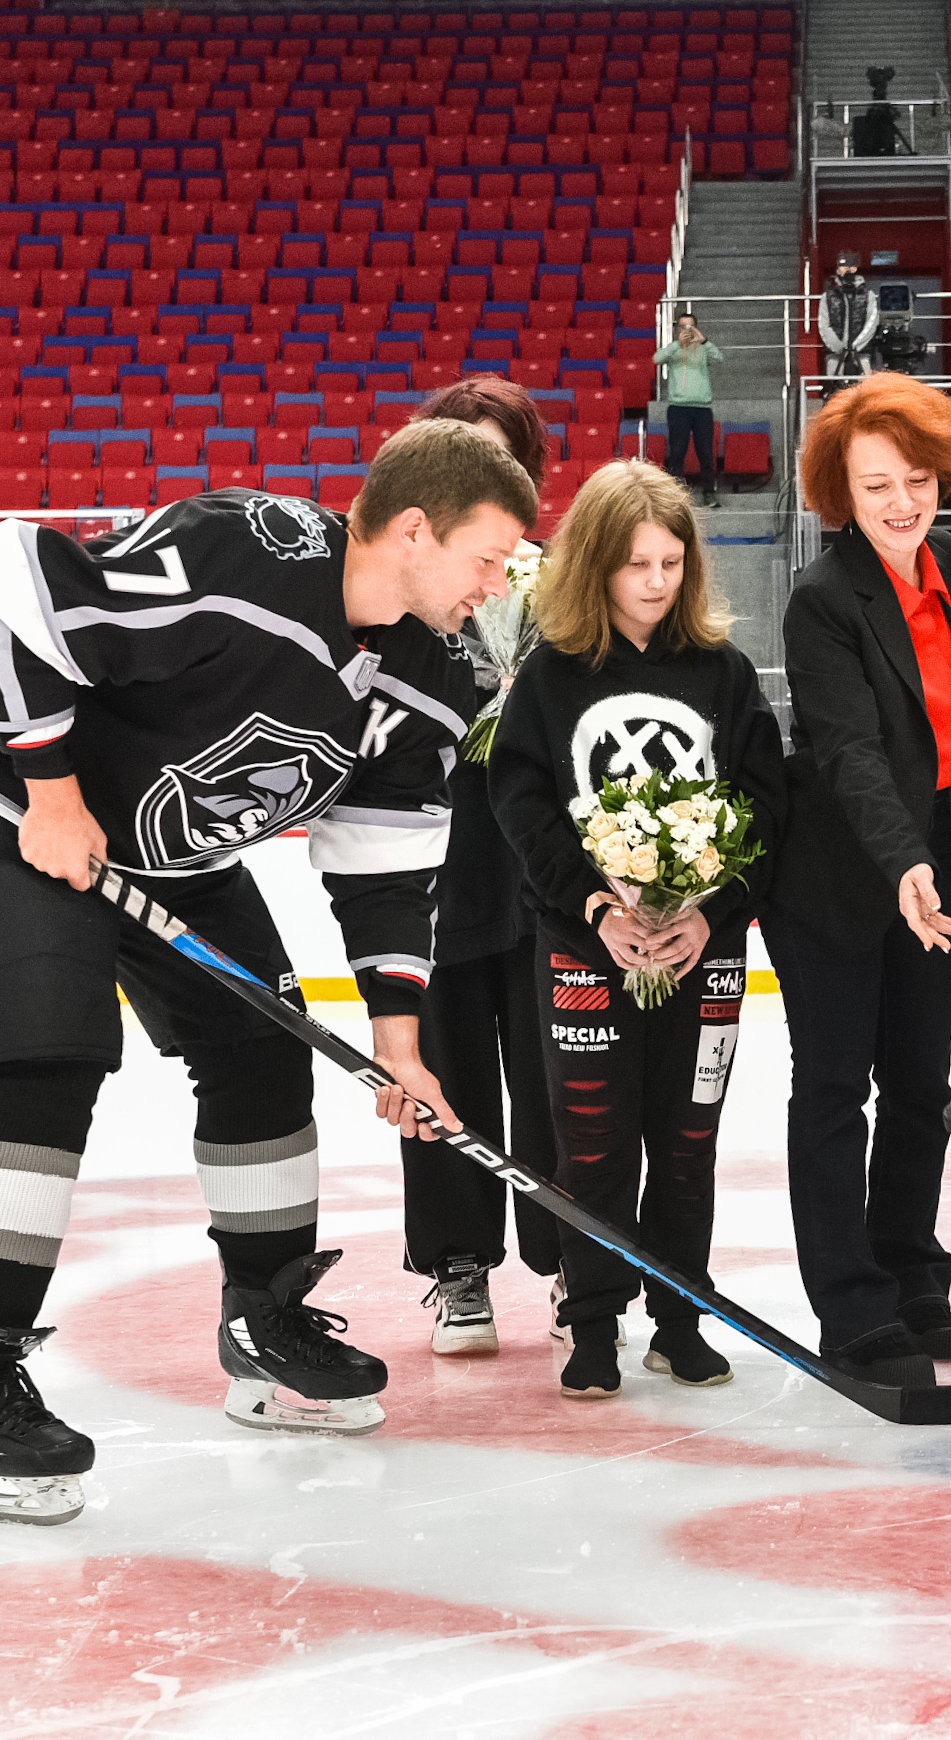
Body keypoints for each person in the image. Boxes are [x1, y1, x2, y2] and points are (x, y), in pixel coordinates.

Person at [0, 419, 538, 1526]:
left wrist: (399, 1044)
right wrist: (51, 792)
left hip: (169, 852)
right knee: (46, 1058)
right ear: (414, 530)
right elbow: (2, 583)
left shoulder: (436, 674)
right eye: (487, 558)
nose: (497, 586)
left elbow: (385, 858)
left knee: (261, 1048)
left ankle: (265, 1320)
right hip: (6, 801)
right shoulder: (244, 554)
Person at [486, 460, 786, 1401]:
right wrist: (597, 909)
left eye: (670, 562)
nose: (656, 582)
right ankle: (591, 1323)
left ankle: (679, 1321)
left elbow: (766, 809)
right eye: (635, 565)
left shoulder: (723, 673)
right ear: (595, 567)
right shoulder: (551, 675)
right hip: (584, 954)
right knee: (593, 1148)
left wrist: (708, 913)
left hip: (705, 956)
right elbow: (522, 807)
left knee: (687, 1145)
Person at [770, 373, 951, 1389]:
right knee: (832, 1089)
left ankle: (910, 1278)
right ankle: (852, 1309)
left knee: (919, 1084)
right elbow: (852, 750)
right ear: (839, 494)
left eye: (915, 478)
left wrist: (938, 856)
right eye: (875, 485)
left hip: (934, 858)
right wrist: (904, 861)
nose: (901, 501)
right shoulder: (822, 601)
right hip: (836, 877)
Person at [395, 376, 564, 1357]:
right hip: (432, 860)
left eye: (497, 449)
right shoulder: (398, 580)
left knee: (555, 1070)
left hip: (537, 857)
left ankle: (571, 1257)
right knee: (444, 1069)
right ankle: (457, 1264)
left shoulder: (550, 578)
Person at [654, 312, 724, 500]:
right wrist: (677, 345)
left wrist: (704, 341)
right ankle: (674, 495)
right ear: (678, 329)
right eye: (683, 326)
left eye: (690, 326)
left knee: (706, 452)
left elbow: (719, 358)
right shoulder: (673, 348)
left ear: (696, 328)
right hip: (678, 408)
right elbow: (657, 359)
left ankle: (708, 492)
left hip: (702, 408)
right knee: (677, 452)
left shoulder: (703, 349)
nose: (686, 330)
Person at [820, 253, 874, 382]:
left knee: (865, 389)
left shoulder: (868, 295)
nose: (844, 270)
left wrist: (855, 346)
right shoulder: (828, 297)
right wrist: (839, 348)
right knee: (835, 388)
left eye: (848, 266)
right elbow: (823, 324)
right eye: (841, 266)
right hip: (835, 354)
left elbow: (871, 323)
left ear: (855, 268)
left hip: (861, 353)